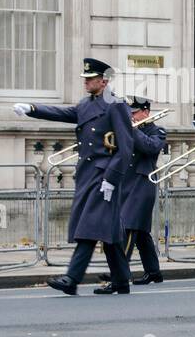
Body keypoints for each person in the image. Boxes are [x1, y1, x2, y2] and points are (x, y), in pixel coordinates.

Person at [15, 57, 134, 295]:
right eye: (85, 79)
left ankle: (72, 278)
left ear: (104, 81)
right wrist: (33, 109)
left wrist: (112, 178)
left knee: (90, 226)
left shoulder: (116, 105)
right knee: (107, 230)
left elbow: (126, 145)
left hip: (104, 174)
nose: (86, 82)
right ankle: (121, 281)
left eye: (90, 79)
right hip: (88, 174)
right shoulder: (86, 104)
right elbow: (63, 113)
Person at [119, 96, 166, 285]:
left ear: (146, 112)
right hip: (126, 182)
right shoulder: (127, 129)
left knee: (129, 226)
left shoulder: (158, 131)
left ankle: (119, 270)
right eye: (129, 114)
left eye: (134, 113)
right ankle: (153, 272)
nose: (131, 116)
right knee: (142, 233)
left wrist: (132, 129)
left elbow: (150, 147)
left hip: (142, 183)